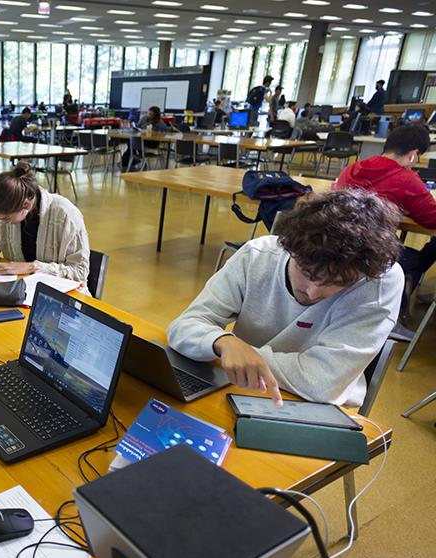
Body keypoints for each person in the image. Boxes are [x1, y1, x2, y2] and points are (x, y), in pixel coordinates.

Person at [167, 190, 403, 407]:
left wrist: (247, 355)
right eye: (307, 273)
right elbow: (183, 327)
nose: (312, 292)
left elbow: (323, 383)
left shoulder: (379, 283)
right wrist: (224, 342)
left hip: (320, 406)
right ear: (290, 249)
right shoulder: (258, 256)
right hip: (244, 386)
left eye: (336, 283)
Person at [334, 124, 436, 326]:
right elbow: (432, 219)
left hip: (337, 246)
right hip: (372, 256)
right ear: (413, 155)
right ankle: (404, 290)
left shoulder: (351, 169)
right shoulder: (407, 180)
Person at [0, 162, 90, 282]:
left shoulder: (65, 214)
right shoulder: (8, 209)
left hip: (58, 293)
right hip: (21, 288)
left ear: (25, 204)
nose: (1, 223)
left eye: (5, 219)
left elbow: (80, 271)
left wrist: (32, 267)